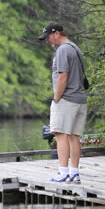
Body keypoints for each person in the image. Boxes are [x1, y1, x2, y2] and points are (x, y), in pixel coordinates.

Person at [38, 22, 87, 184]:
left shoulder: (63, 50)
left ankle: (63, 171)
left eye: (48, 38)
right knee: (73, 136)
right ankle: (74, 172)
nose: (47, 41)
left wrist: (57, 98)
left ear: (56, 34)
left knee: (60, 135)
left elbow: (63, 76)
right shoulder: (74, 48)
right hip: (79, 98)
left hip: (66, 99)